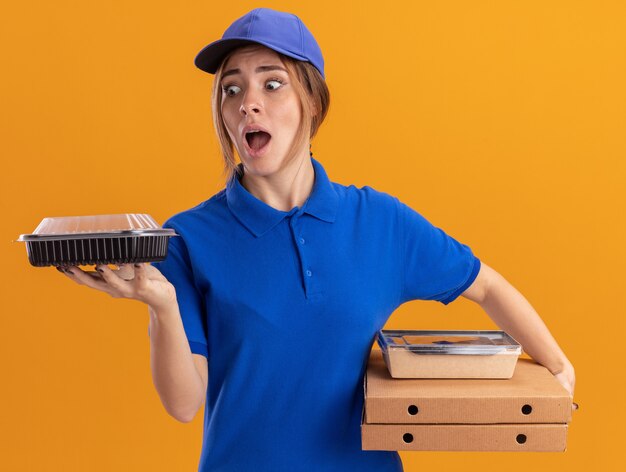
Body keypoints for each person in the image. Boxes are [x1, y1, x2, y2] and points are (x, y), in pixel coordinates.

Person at [58, 8, 576, 472]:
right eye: (231, 89)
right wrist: (162, 305)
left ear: (312, 101)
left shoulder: (379, 222)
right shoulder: (188, 237)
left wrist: (557, 366)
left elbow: (485, 286)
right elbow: (183, 404)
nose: (247, 105)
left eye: (272, 84)